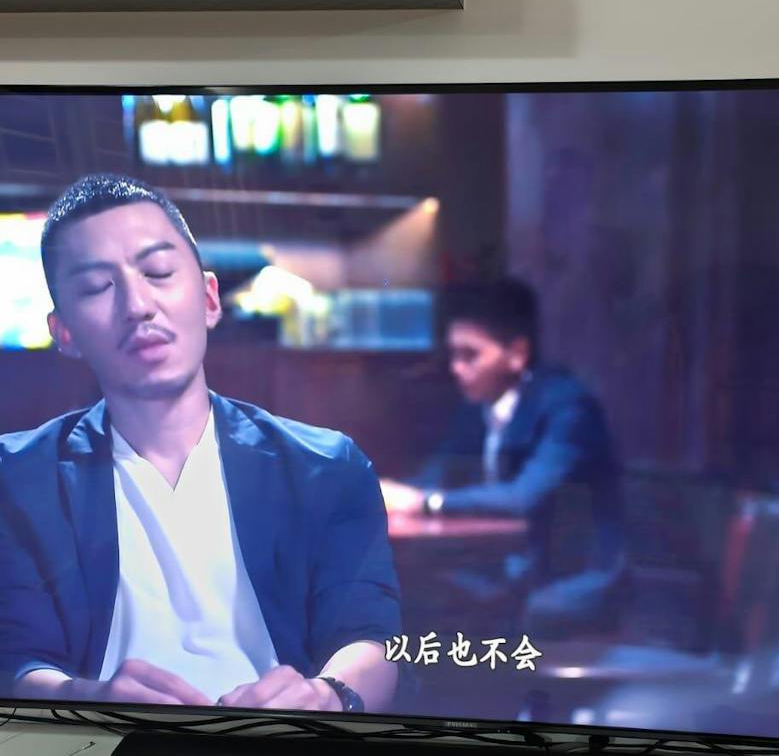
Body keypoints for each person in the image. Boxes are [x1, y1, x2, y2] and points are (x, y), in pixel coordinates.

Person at [0, 175, 400, 712]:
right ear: (64, 332)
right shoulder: (18, 478)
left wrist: (327, 697)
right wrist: (88, 698)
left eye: (158, 272)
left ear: (210, 299)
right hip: (99, 747)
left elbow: (372, 638)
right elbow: (17, 659)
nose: (138, 305)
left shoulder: (324, 467)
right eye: (97, 287)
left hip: (284, 746)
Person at [380, 278, 625, 635]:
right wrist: (386, 494)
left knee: (444, 610)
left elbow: (523, 498)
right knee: (407, 595)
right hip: (511, 566)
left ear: (517, 354)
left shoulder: (568, 407)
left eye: (470, 355)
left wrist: (426, 502)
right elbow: (436, 476)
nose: (456, 368)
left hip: (572, 577)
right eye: (453, 355)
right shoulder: (478, 406)